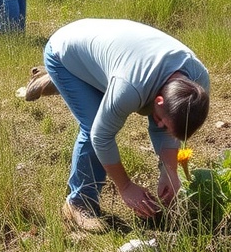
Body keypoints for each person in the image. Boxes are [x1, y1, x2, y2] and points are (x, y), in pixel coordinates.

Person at [32, 18, 210, 232]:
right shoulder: (130, 88)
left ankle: (71, 79)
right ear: (159, 100)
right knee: (92, 125)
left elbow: (168, 128)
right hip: (63, 48)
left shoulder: (198, 83)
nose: (160, 125)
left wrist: (170, 171)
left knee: (133, 106)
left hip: (107, 55)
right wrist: (126, 187)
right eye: (162, 120)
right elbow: (101, 136)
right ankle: (78, 202)